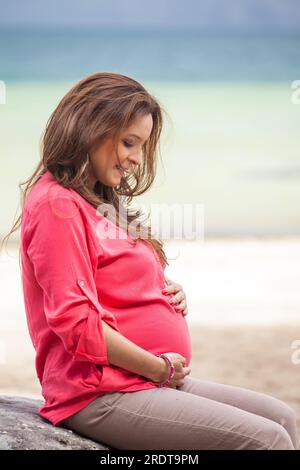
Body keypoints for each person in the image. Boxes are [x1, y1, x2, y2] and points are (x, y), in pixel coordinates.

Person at [3, 72, 298, 450]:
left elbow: (108, 282)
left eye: (141, 146)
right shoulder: (56, 206)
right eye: (129, 143)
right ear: (91, 129)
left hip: (139, 380)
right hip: (99, 392)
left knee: (282, 417)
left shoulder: (94, 201)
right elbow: (77, 324)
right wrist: (159, 367)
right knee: (268, 439)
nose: (136, 160)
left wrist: (163, 293)